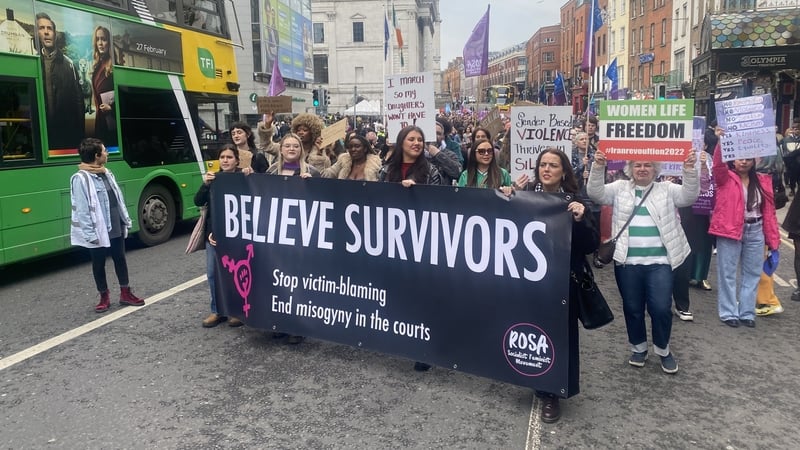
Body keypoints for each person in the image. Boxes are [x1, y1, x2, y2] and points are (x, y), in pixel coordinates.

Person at [587, 151, 699, 374]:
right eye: (638, 165)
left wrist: (689, 170)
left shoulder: (666, 190)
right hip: (628, 263)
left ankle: (663, 349)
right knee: (633, 308)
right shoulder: (619, 188)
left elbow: (689, 196)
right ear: (630, 168)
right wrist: (598, 166)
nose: (642, 169)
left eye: (648, 165)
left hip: (660, 263)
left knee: (660, 308)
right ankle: (638, 347)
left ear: (655, 169)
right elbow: (595, 193)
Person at [515, 148, 599, 424]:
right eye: (543, 165)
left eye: (553, 165)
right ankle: (532, 377)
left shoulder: (575, 200)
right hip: (529, 279)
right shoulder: (525, 195)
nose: (547, 169)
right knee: (530, 331)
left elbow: (591, 244)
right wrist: (506, 198)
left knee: (560, 335)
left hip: (563, 281)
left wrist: (580, 217)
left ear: (564, 171)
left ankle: (552, 392)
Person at [709, 133, 780, 328]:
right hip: (730, 230)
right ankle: (728, 312)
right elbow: (717, 165)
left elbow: (769, 212)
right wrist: (721, 142)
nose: (744, 162)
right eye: (740, 158)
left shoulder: (764, 180)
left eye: (748, 159)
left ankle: (747, 312)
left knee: (753, 273)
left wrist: (773, 240)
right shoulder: (725, 177)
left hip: (756, 230)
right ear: (733, 158)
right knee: (727, 273)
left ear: (754, 161)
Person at [70, 138, 145, 313]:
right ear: (97, 156)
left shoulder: (106, 172)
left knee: (120, 258)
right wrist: (90, 234)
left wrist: (125, 219)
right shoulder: (80, 178)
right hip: (98, 229)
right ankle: (104, 296)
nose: (107, 153)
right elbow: (82, 210)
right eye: (104, 151)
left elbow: (117, 199)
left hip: (115, 224)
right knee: (98, 263)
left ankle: (125, 293)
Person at [195, 144, 246, 328]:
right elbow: (198, 202)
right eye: (222, 157)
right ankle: (217, 310)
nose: (225, 160)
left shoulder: (243, 179)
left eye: (229, 157)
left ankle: (236, 311)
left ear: (237, 160)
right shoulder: (213, 179)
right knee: (212, 274)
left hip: (236, 237)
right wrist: (205, 184)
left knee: (235, 273)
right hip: (214, 237)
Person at [36, 12, 84, 149]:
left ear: (55, 34)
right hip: (44, 135)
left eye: (49, 29)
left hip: (66, 136)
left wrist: (79, 137)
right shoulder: (35, 63)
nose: (46, 32)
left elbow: (79, 102)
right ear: (37, 33)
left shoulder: (69, 64)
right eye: (41, 28)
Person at [91, 26, 116, 144]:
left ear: (109, 42)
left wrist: (112, 108)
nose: (100, 43)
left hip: (111, 120)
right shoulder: (97, 65)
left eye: (104, 39)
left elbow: (124, 95)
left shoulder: (114, 66)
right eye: (97, 39)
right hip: (100, 120)